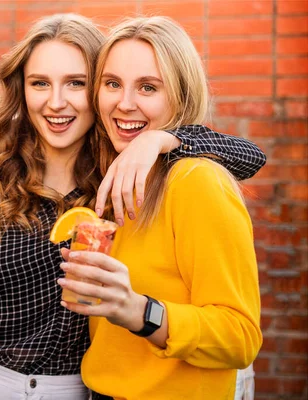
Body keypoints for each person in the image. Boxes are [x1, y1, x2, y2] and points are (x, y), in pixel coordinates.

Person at [0, 14, 264, 400]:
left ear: (92, 91)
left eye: (76, 83)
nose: (56, 102)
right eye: (40, 83)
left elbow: (250, 156)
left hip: (71, 386)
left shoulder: (118, 179)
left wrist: (161, 139)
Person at [57, 16, 262, 400]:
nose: (125, 103)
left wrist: (139, 310)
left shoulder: (196, 182)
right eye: (112, 84)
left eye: (148, 87)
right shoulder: (108, 178)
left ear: (180, 98)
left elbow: (240, 337)